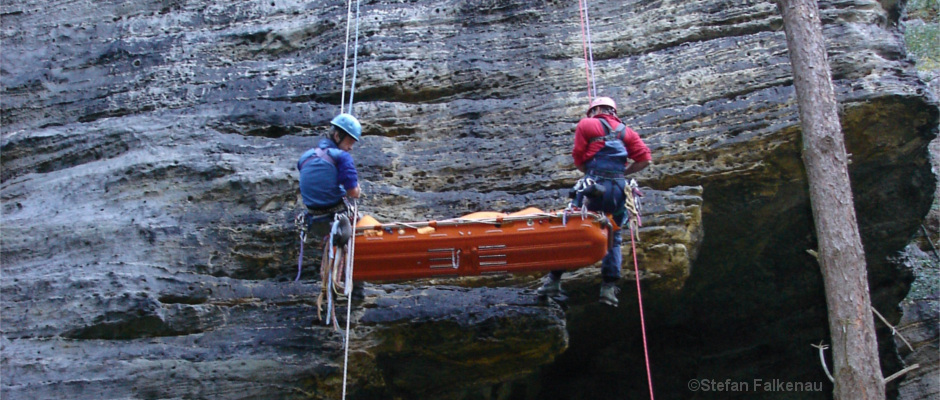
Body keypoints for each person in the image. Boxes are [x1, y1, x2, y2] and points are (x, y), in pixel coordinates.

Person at [537, 96, 651, 307]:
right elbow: (644, 159)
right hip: (618, 190)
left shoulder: (586, 124)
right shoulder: (628, 132)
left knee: (571, 231)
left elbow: (578, 156)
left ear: (595, 109)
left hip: (593, 186)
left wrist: (589, 172)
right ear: (613, 111)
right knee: (614, 236)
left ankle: (553, 280)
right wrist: (623, 173)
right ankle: (608, 289)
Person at [298, 113, 364, 296]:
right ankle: (356, 287)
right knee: (364, 230)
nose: (350, 147)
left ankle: (333, 278)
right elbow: (352, 192)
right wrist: (357, 190)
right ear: (337, 136)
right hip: (336, 219)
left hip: (313, 221)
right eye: (350, 142)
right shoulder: (341, 157)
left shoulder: (304, 157)